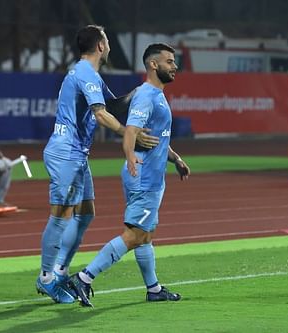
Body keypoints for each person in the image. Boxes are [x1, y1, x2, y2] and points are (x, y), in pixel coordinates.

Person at [36, 25, 159, 304]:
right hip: (65, 153)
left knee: (86, 213)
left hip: (77, 154)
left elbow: (113, 105)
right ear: (101, 46)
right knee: (60, 215)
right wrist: (129, 132)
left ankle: (60, 271)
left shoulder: (90, 75)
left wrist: (144, 91)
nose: (110, 46)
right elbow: (101, 114)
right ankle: (46, 278)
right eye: (108, 41)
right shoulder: (84, 74)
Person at [68, 43, 191, 307]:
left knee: (145, 234)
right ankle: (84, 278)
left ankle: (154, 288)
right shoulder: (147, 96)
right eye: (169, 61)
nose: (175, 66)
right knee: (134, 235)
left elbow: (156, 138)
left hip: (152, 176)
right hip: (144, 177)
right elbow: (131, 131)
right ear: (153, 65)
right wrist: (130, 159)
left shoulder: (156, 95)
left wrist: (176, 159)